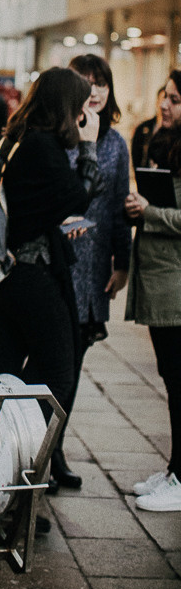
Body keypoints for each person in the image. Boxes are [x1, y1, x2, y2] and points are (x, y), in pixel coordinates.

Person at [0, 67, 100, 521]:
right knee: (57, 375)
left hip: (6, 277)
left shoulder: (15, 139)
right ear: (65, 107)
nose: (82, 115)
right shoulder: (41, 147)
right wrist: (89, 149)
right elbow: (79, 196)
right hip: (31, 277)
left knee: (7, 373)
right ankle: (19, 484)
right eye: (80, 106)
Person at [50, 55, 130, 490]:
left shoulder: (116, 142)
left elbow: (117, 205)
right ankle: (37, 448)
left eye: (102, 83)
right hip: (59, 261)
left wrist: (123, 264)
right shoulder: (59, 137)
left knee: (75, 361)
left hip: (95, 264)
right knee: (53, 361)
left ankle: (55, 448)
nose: (95, 91)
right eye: (87, 82)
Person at [124, 70, 181, 513]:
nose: (165, 105)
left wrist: (152, 212)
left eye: (176, 100)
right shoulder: (160, 143)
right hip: (161, 278)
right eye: (165, 96)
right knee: (171, 378)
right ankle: (174, 469)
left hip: (176, 283)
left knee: (179, 382)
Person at [131, 87, 165, 172]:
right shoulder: (143, 128)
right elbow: (136, 156)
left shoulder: (175, 131)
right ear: (157, 102)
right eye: (163, 99)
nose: (165, 105)